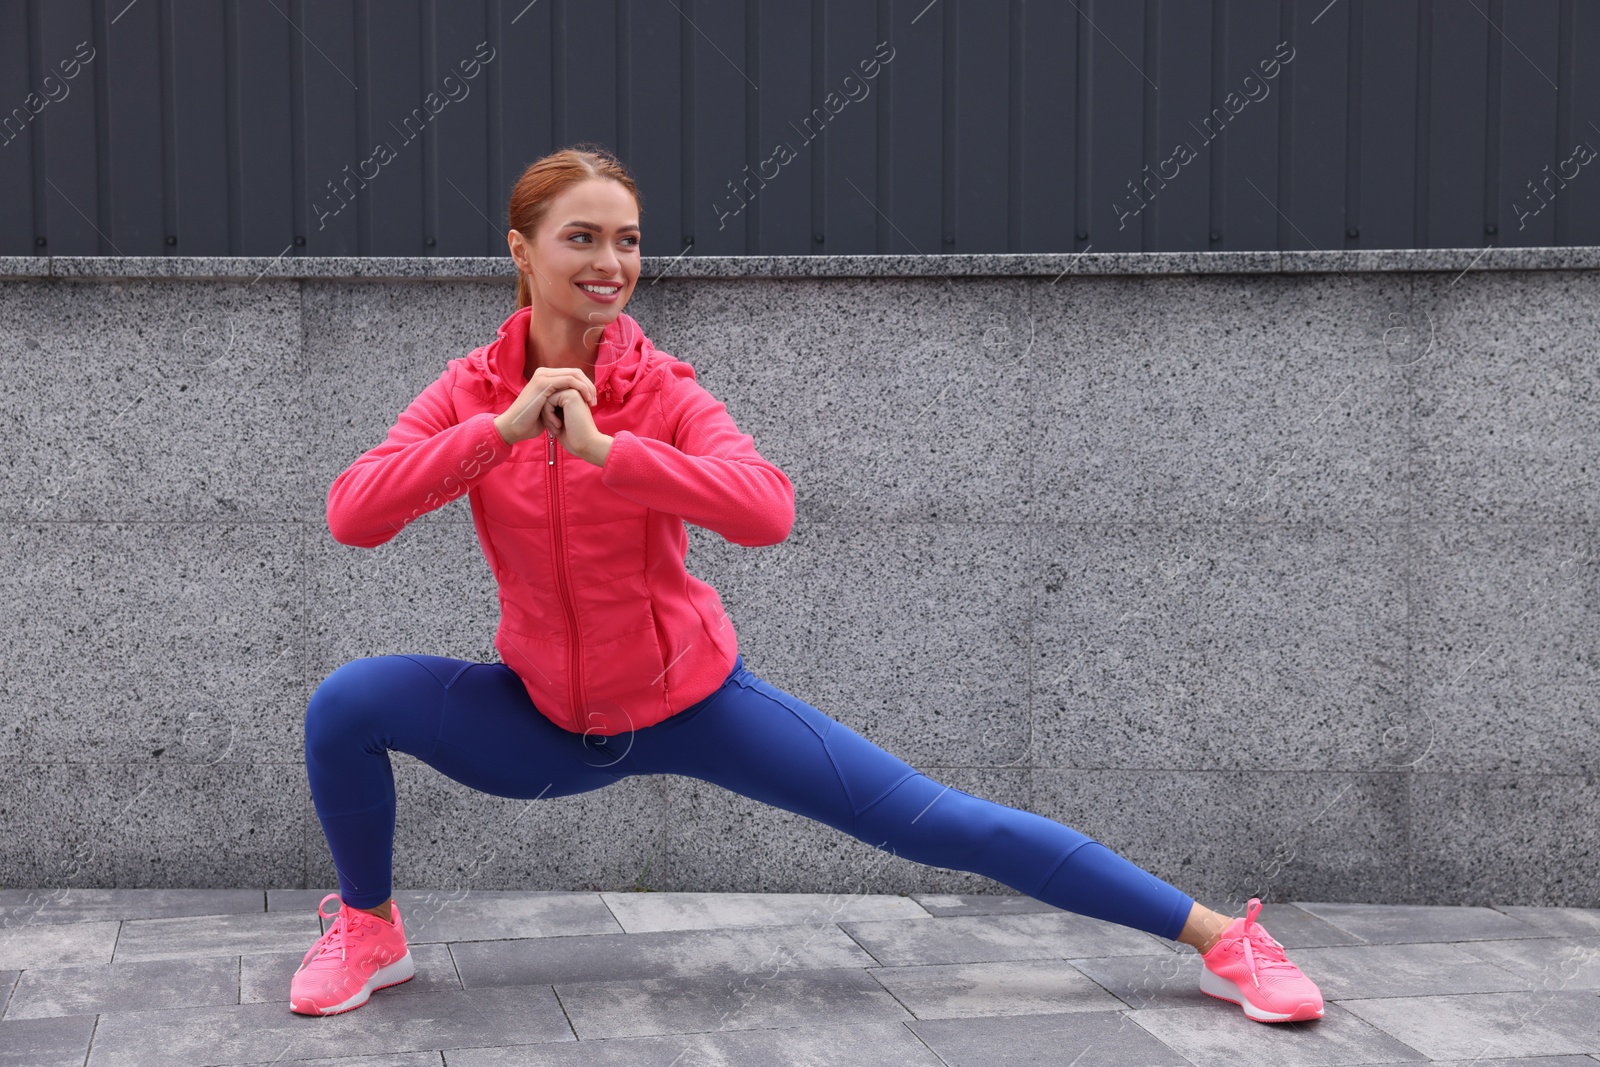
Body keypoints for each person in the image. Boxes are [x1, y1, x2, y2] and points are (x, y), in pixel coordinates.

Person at [289, 144, 1325, 1025]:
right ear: (521, 252)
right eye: (583, 237)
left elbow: (765, 506)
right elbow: (354, 511)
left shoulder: (662, 388)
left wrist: (611, 451)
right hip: (541, 717)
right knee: (348, 702)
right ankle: (370, 927)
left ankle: (1225, 939)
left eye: (629, 239)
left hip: (691, 703)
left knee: (939, 819)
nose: (612, 263)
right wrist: (498, 432)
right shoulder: (471, 388)